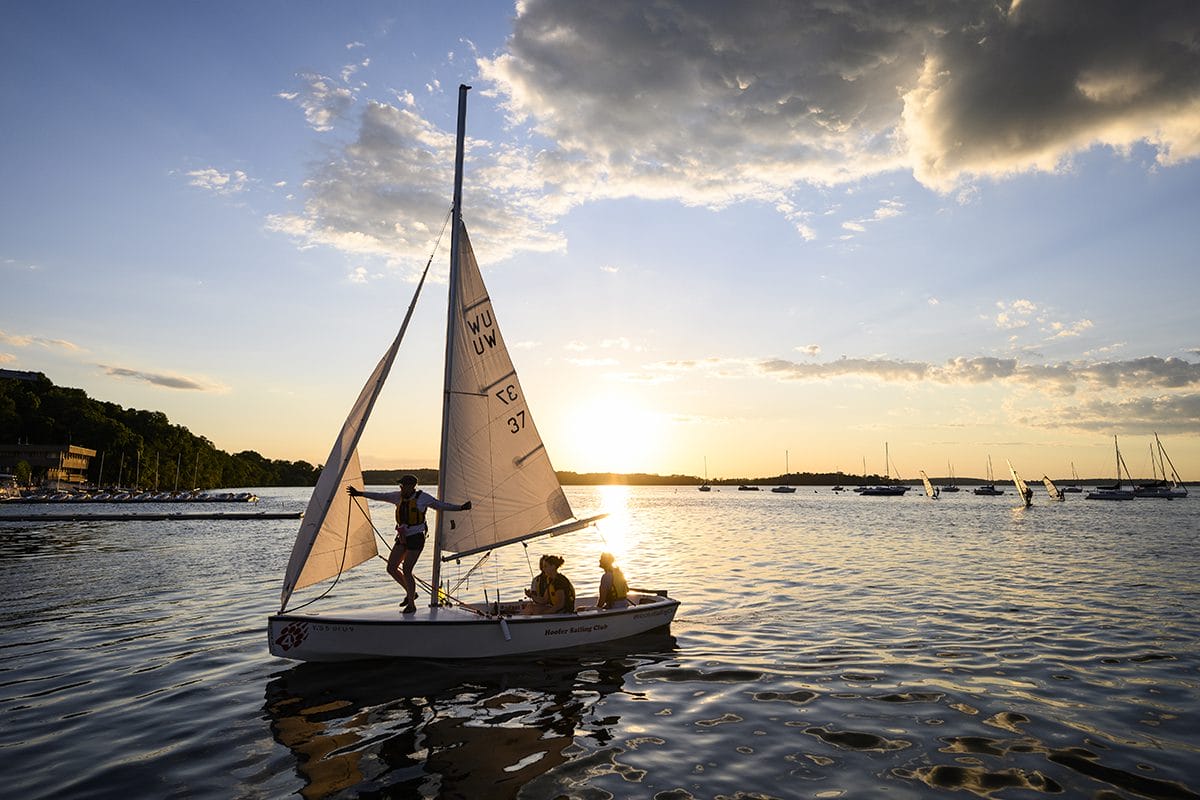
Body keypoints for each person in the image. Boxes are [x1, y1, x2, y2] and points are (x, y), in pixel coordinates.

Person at [347, 475, 471, 613]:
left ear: (411, 486)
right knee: (391, 568)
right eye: (400, 485)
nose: (400, 487)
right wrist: (359, 493)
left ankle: (411, 605)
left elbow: (440, 505)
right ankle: (411, 593)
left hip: (416, 538)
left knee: (407, 569)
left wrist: (461, 508)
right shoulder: (397, 496)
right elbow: (379, 495)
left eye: (403, 485)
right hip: (402, 537)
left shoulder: (423, 498)